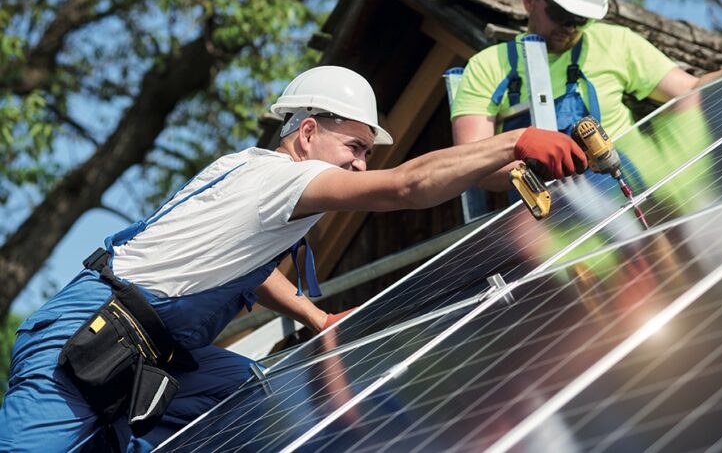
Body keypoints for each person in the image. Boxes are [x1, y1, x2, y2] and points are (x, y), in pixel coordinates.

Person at [0, 65, 587, 452]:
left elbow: (241, 269)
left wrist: (314, 319)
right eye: (355, 147)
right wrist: (514, 141)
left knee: (243, 393)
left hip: (148, 350)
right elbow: (405, 186)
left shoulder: (244, 173)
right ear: (307, 133)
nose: (360, 164)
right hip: (87, 342)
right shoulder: (282, 180)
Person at [451, 0, 722, 192]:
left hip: (641, 192)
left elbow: (689, 91)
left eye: (580, 19)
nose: (571, 27)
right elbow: (471, 162)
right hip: (555, 221)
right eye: (561, 14)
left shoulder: (615, 42)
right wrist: (539, 168)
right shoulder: (490, 66)